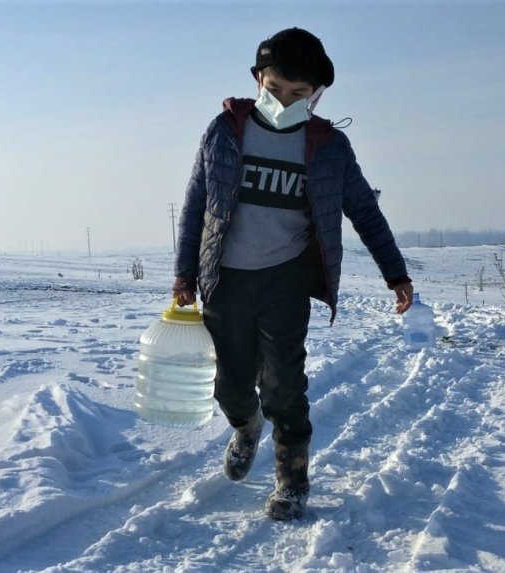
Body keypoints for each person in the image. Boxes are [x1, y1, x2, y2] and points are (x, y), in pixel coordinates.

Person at [172, 27, 414, 520]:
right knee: (230, 387)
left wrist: (396, 274)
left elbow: (364, 212)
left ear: (317, 94)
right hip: (225, 280)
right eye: (275, 88)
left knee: (284, 385)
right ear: (259, 78)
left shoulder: (328, 148)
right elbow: (197, 205)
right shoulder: (224, 131)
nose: (283, 100)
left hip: (286, 280)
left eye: (298, 94)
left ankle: (291, 481)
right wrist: (183, 275)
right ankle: (246, 426)